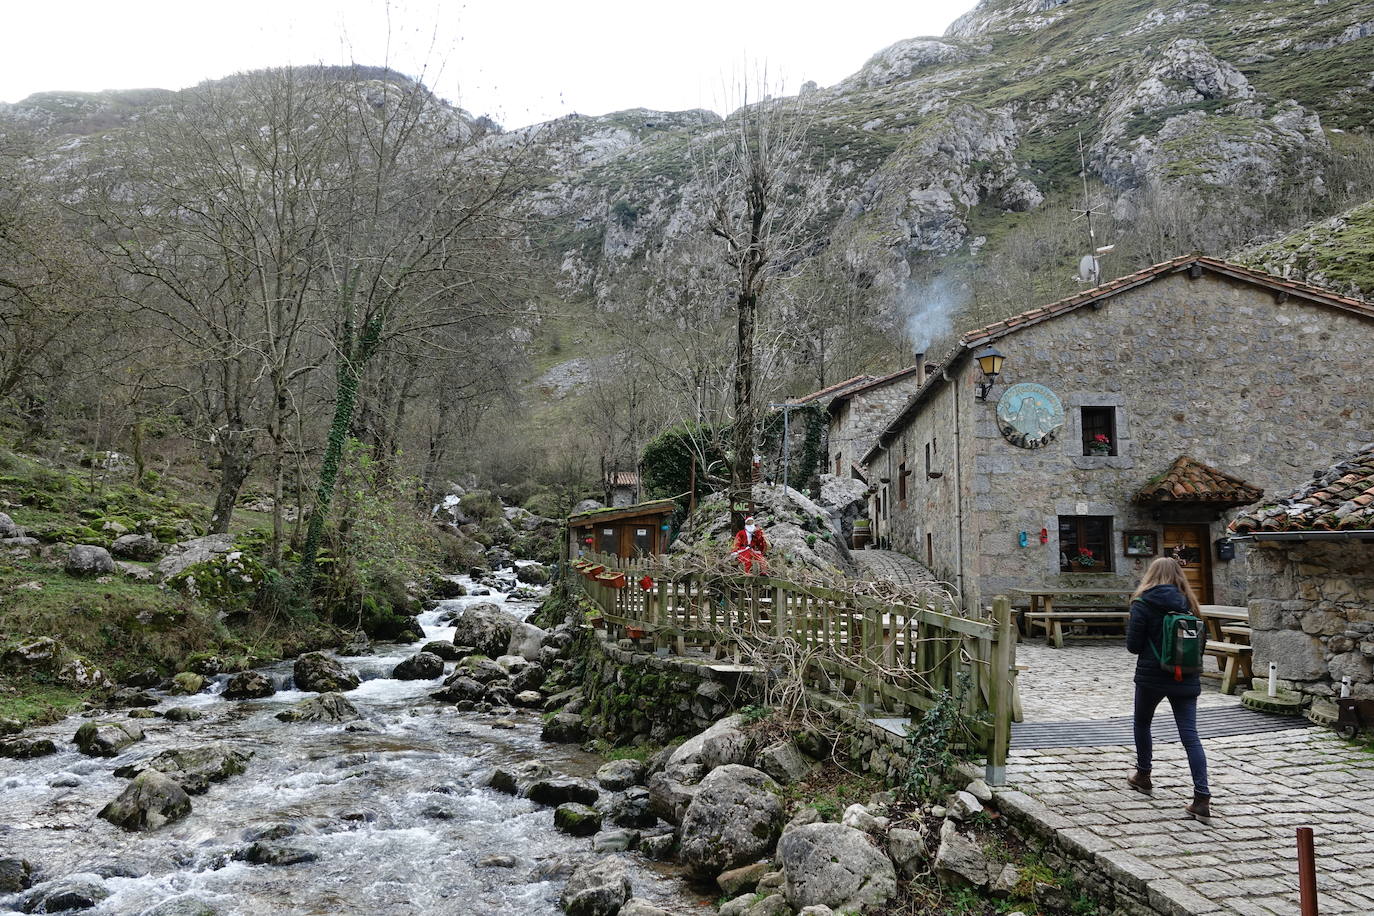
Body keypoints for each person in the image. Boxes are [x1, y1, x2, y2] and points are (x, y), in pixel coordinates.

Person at [1125, 557, 1211, 822]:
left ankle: (1144, 774)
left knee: (1142, 723)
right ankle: (1201, 796)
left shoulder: (1142, 603)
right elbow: (1201, 646)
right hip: (1185, 678)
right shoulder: (1190, 603)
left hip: (1152, 677)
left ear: (1151, 574)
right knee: (1190, 736)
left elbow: (1134, 646)